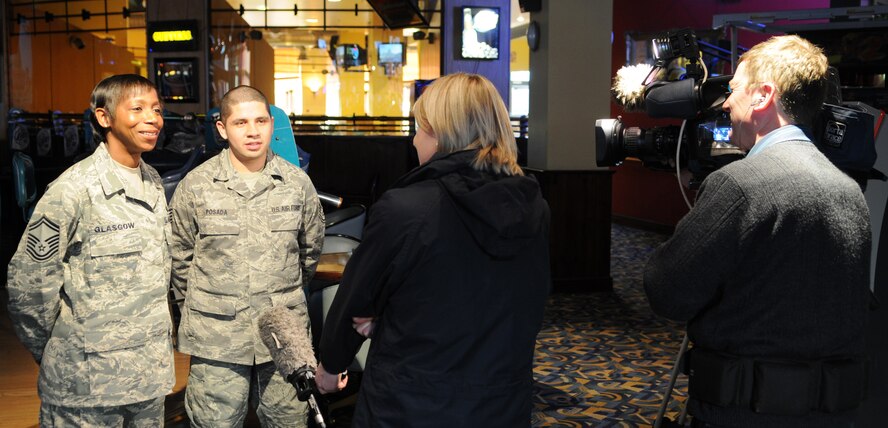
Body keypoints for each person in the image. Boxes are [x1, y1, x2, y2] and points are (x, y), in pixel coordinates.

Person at [644, 35, 871, 428]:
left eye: (733, 91)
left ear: (763, 96)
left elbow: (667, 291)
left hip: (742, 413)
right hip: (831, 414)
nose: (726, 104)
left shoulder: (738, 185)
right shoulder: (849, 191)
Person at [315, 73, 551, 426]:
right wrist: (394, 323)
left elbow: (356, 299)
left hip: (414, 403)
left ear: (442, 133)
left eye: (419, 128)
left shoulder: (406, 208)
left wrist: (331, 366)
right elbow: (502, 303)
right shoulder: (532, 204)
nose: (413, 140)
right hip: (503, 399)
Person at [6, 74, 174, 426]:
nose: (152, 119)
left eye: (156, 109)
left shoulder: (153, 182)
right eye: (138, 108)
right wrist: (54, 351)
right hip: (86, 388)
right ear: (104, 117)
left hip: (147, 381)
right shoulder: (73, 190)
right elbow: (29, 286)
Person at [168, 85, 325, 427]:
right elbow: (180, 261)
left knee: (289, 422)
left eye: (260, 121)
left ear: (272, 124)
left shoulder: (297, 184)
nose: (253, 132)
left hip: (282, 339)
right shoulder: (195, 186)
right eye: (240, 123)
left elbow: (309, 254)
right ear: (222, 129)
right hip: (217, 341)